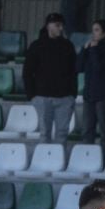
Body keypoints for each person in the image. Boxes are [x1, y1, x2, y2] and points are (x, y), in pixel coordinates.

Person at [23, 13, 77, 145]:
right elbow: (27, 72)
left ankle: (58, 163)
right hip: (42, 97)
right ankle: (45, 163)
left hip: (64, 97)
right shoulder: (36, 46)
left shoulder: (68, 46)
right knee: (44, 133)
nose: (60, 29)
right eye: (57, 25)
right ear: (48, 26)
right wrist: (32, 95)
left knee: (62, 134)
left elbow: (73, 71)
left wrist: (72, 94)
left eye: (61, 26)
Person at [77, 19, 105, 156]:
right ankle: (88, 159)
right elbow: (78, 67)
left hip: (104, 96)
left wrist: (94, 50)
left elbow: (99, 69)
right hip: (89, 94)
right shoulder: (91, 48)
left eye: (96, 30)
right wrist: (84, 50)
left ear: (104, 32)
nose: (93, 34)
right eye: (93, 30)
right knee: (87, 132)